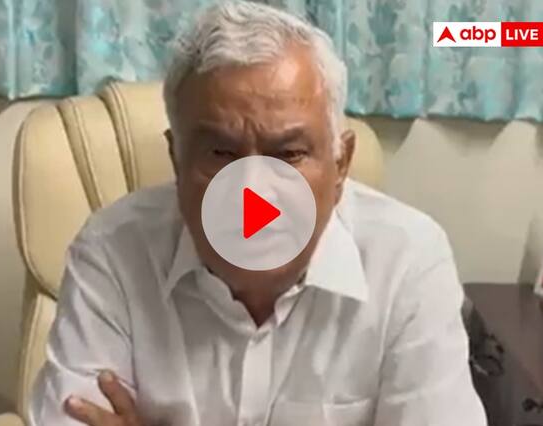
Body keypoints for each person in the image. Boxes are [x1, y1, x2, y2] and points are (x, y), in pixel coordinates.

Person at [29, 1, 487, 425]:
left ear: (341, 163)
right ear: (176, 159)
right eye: (221, 153)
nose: (253, 194)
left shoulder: (408, 261)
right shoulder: (112, 251)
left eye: (288, 154)